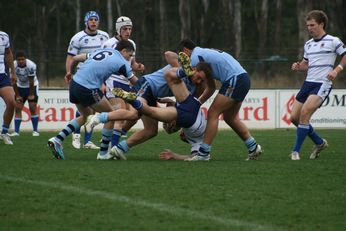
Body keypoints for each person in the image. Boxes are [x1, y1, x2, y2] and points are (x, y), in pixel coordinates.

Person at [84, 60, 215, 160]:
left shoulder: (192, 86)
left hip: (167, 102)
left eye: (201, 80)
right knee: (134, 114)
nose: (197, 81)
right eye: (198, 77)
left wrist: (171, 103)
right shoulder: (187, 72)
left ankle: (119, 149)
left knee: (151, 130)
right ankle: (98, 118)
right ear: (193, 69)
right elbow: (169, 54)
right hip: (148, 85)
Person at [48, 40, 138, 160]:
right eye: (130, 55)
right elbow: (135, 82)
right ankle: (103, 153)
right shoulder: (122, 62)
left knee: (86, 116)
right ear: (123, 51)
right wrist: (149, 88)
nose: (130, 58)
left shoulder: (102, 51)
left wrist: (69, 72)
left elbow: (76, 58)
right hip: (87, 87)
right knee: (112, 115)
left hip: (74, 84)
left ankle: (58, 139)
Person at [177, 39, 262, 161]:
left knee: (213, 113)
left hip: (235, 79)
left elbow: (181, 73)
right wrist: (197, 104)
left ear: (185, 51)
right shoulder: (203, 58)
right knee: (229, 117)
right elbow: (211, 88)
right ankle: (253, 147)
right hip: (242, 78)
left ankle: (204, 154)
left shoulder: (195, 57)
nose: (183, 62)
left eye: (181, 57)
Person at [289, 10, 346, 160]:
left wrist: (337, 70)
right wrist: (298, 66)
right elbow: (306, 64)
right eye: (307, 25)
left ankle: (295, 152)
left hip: (322, 83)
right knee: (294, 117)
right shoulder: (308, 44)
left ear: (321, 24)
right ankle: (319, 142)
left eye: (312, 25)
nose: (309, 28)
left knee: (304, 114)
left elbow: (345, 55)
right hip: (308, 83)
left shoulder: (333, 41)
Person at [65, 10, 109, 150]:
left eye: (96, 19)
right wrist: (68, 72)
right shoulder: (77, 38)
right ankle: (76, 135)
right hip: (82, 77)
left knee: (93, 108)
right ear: (86, 22)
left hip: (98, 76)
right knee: (85, 107)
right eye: (91, 20)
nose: (94, 22)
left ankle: (88, 142)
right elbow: (70, 57)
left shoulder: (104, 36)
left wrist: (104, 80)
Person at [102, 16, 145, 147]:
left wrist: (137, 66)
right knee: (119, 116)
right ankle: (113, 148)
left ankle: (114, 138)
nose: (128, 31)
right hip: (112, 81)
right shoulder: (108, 44)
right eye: (125, 29)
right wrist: (101, 83)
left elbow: (131, 63)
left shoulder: (132, 44)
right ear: (118, 30)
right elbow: (101, 65)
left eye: (130, 28)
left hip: (127, 83)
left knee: (134, 114)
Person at [9, 51, 40, 137]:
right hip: (19, 87)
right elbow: (13, 82)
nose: (21, 61)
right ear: (16, 60)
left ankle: (35, 131)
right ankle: (16, 132)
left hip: (32, 86)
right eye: (19, 59)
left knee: (32, 107)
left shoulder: (31, 65)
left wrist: (31, 94)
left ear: (25, 59)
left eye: (22, 59)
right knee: (18, 108)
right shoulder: (13, 66)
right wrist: (18, 95)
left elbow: (31, 82)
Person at [0, 31, 16, 145]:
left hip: (2, 75)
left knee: (11, 102)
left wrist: (13, 72)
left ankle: (4, 132)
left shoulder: (4, 36)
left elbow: (8, 53)